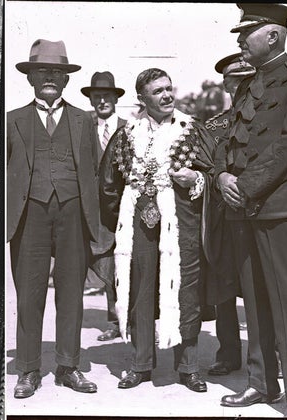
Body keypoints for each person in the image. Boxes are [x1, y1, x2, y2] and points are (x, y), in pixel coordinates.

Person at [99, 67, 214, 393]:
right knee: (140, 290)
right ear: (141, 98)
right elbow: (109, 186)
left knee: (185, 290)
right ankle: (140, 364)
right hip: (139, 225)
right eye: (157, 91)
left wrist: (196, 180)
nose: (166, 95)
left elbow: (214, 175)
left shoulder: (191, 130)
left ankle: (188, 367)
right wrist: (120, 223)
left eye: (168, 88)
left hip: (182, 222)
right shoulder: (127, 135)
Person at [8, 39, 100, 398]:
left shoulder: (83, 120)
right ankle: (28, 370)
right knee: (29, 294)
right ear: (30, 79)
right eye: (43, 71)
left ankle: (68, 366)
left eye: (57, 72)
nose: (50, 77)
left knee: (72, 293)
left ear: (66, 80)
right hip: (29, 214)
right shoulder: (14, 119)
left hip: (73, 212)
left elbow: (93, 169)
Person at [214, 3, 287, 408]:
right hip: (240, 208)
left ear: (273, 36)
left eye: (248, 32)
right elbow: (228, 141)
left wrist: (245, 186)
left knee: (285, 302)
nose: (240, 40)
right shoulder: (246, 86)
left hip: (277, 211)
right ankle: (262, 382)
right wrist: (223, 176)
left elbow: (285, 147)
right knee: (256, 301)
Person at [201, 52, 256, 377]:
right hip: (223, 218)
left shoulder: (268, 120)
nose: (242, 90)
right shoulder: (213, 126)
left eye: (248, 82)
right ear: (226, 85)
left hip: (257, 214)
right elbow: (206, 168)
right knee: (223, 287)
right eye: (236, 84)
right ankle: (228, 353)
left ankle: (273, 355)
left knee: (259, 287)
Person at [80, 70, 128, 342]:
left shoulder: (128, 127)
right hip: (89, 208)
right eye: (97, 97)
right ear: (91, 100)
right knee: (101, 263)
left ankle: (124, 320)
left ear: (115, 99)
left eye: (106, 96)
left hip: (120, 207)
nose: (102, 102)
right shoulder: (82, 126)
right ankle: (113, 320)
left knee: (123, 263)